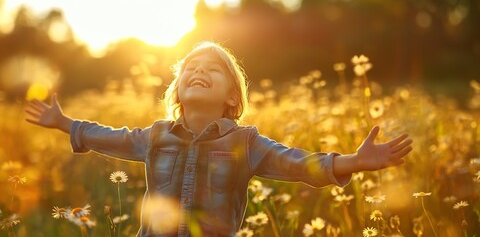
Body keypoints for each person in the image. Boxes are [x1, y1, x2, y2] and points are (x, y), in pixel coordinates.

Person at [25, 41, 413, 237]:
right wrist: (64, 123)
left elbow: (298, 163)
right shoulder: (157, 136)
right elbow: (108, 137)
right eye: (190, 68)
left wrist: (355, 161)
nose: (198, 71)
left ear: (232, 96)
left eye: (212, 69)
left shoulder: (245, 143)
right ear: (177, 91)